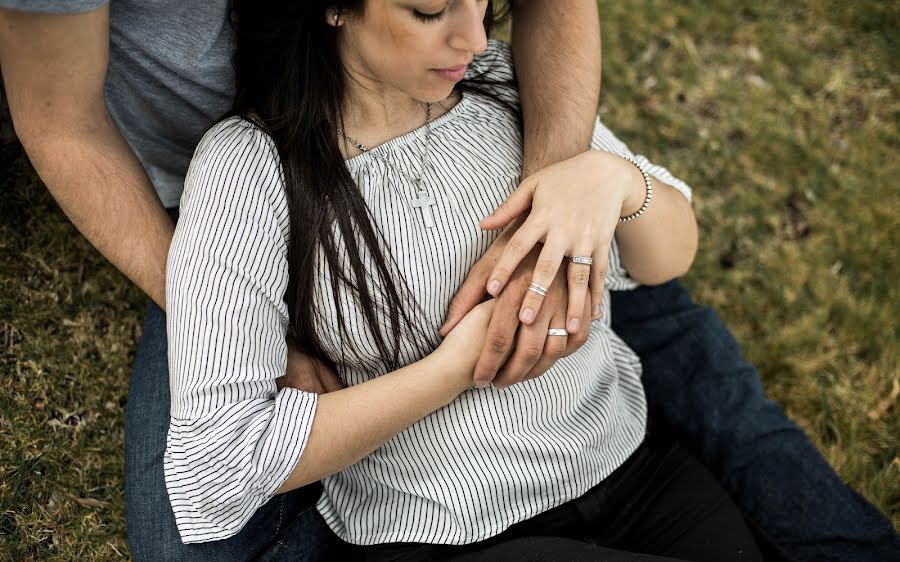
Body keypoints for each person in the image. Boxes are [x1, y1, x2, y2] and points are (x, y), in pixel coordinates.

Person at [0, 1, 896, 561]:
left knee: (733, 417)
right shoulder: (248, 173)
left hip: (633, 477)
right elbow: (214, 471)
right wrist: (450, 368)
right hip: (449, 533)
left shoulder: (501, 85)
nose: (475, 35)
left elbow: (667, 255)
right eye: (433, 10)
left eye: (483, 1)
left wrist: (604, 181)